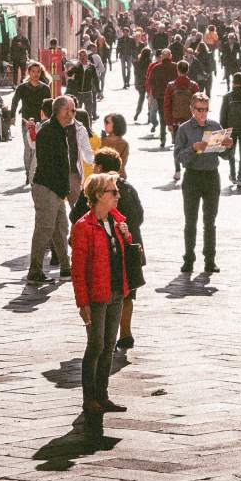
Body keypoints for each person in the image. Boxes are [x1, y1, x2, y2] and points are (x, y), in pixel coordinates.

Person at [70, 171, 137, 429]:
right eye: (113, 192)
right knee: (95, 345)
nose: (118, 195)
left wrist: (126, 235)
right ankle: (90, 399)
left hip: (117, 290)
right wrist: (82, 303)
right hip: (97, 294)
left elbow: (124, 253)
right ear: (99, 195)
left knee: (109, 345)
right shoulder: (83, 227)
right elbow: (78, 269)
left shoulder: (117, 220)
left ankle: (103, 395)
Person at [72, 150, 145, 352]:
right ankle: (125, 333)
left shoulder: (96, 187)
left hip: (111, 251)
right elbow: (139, 216)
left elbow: (75, 215)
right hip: (132, 250)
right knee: (128, 294)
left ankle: (106, 339)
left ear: (100, 167)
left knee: (108, 296)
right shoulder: (128, 187)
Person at [27, 96, 82, 285]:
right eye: (71, 110)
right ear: (61, 111)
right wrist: (61, 188)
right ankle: (34, 270)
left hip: (57, 188)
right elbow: (50, 165)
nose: (73, 114)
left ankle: (66, 267)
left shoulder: (60, 130)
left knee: (60, 228)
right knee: (45, 229)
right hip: (47, 187)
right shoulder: (49, 131)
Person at [173, 92, 226, 275]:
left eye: (205, 109)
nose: (203, 113)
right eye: (199, 110)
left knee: (210, 222)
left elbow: (224, 155)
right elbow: (179, 157)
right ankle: (188, 259)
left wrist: (228, 146)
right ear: (192, 109)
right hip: (192, 178)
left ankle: (210, 260)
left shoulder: (215, 126)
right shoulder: (184, 129)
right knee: (191, 221)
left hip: (211, 176)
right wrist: (193, 149)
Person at [12, 63, 51, 186]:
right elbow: (15, 101)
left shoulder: (45, 88)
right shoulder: (22, 88)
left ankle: (35, 174)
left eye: (38, 71)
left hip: (41, 123)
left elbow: (48, 106)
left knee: (39, 148)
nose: (35, 74)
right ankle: (28, 173)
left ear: (41, 73)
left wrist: (49, 120)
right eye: (33, 71)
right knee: (28, 148)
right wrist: (12, 116)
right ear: (29, 72)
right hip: (26, 122)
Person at [162, 60, 201, 174]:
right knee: (194, 144)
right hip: (190, 121)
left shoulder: (171, 86)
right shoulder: (193, 85)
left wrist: (168, 122)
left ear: (177, 70)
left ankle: (177, 170)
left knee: (177, 146)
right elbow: (199, 104)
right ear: (188, 70)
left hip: (176, 120)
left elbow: (167, 105)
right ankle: (193, 167)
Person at [143, 48, 179, 143]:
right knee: (173, 116)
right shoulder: (176, 67)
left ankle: (163, 138)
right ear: (170, 56)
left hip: (160, 96)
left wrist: (153, 93)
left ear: (162, 57)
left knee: (162, 117)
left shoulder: (156, 67)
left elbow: (150, 81)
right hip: (173, 95)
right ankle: (174, 137)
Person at [67, 49, 101, 118]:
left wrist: (99, 91)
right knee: (76, 113)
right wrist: (75, 66)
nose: (82, 57)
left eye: (84, 55)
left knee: (88, 114)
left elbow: (95, 79)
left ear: (87, 56)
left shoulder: (91, 67)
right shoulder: (77, 66)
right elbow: (69, 74)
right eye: (80, 56)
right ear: (79, 58)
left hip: (88, 93)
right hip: (78, 93)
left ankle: (88, 128)